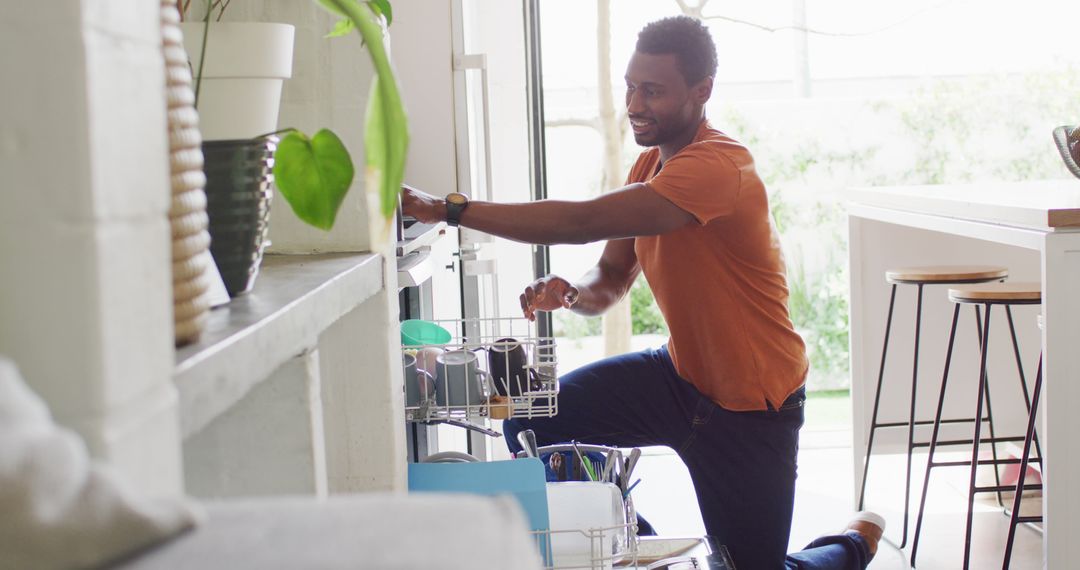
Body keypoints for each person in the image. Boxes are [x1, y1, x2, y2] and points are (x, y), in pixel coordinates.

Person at [402, 15, 884, 570]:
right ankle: (636, 549)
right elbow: (609, 280)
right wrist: (569, 293)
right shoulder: (651, 163)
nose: (635, 103)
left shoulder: (719, 167)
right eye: (630, 86)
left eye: (653, 91)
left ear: (702, 91)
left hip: (751, 406)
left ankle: (851, 546)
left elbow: (577, 222)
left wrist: (449, 209)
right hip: (677, 379)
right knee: (533, 421)